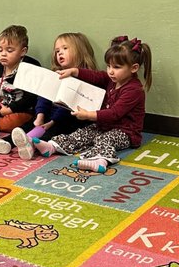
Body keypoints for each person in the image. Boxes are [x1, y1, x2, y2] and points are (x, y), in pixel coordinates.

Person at [32, 35, 153, 173]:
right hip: (105, 125)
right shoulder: (112, 79)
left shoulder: (134, 90)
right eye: (109, 66)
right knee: (83, 133)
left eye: (117, 67)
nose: (110, 71)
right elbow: (95, 76)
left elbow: (114, 113)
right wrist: (74, 71)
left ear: (134, 68)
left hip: (126, 132)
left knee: (105, 139)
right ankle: (52, 146)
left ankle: (100, 160)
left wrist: (89, 115)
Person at [11, 32, 96, 160]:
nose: (59, 53)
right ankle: (7, 142)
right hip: (50, 116)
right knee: (29, 124)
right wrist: (40, 115)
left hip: (69, 119)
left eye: (65, 49)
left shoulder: (84, 78)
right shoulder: (55, 75)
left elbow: (67, 107)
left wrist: (52, 122)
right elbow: (43, 97)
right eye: (57, 51)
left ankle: (32, 145)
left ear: (80, 52)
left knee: (55, 130)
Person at [0, 25, 40, 155]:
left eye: (9, 51)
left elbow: (30, 98)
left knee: (15, 122)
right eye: (0, 50)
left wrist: (10, 110)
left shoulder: (30, 68)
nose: (3, 54)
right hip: (0, 106)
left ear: (22, 51)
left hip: (19, 111)